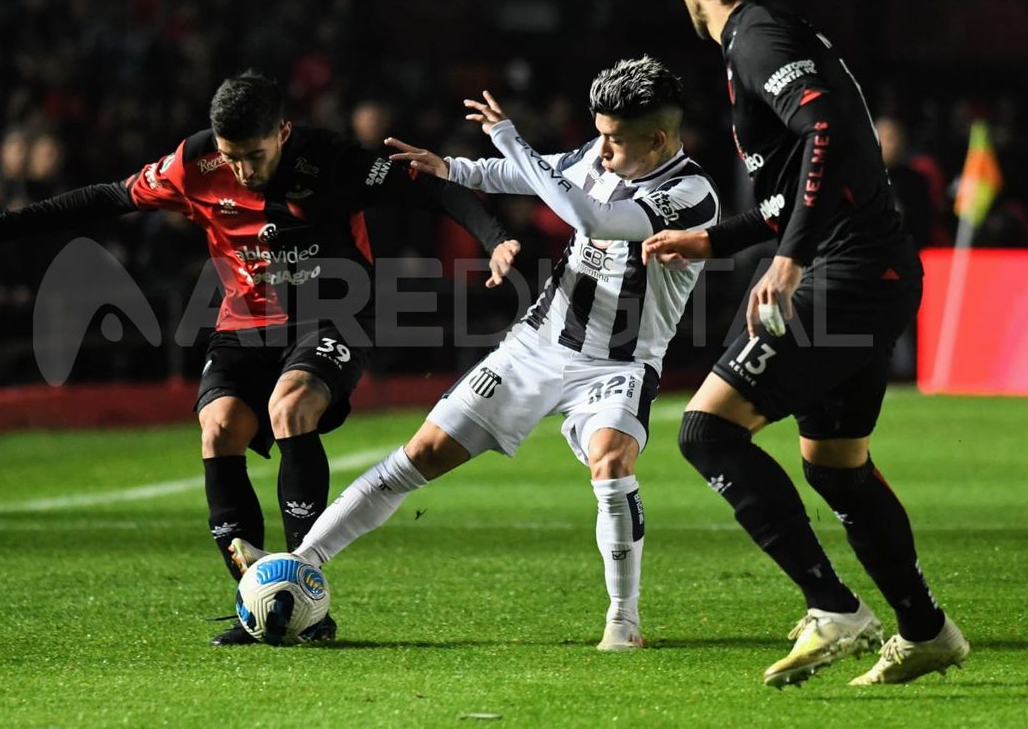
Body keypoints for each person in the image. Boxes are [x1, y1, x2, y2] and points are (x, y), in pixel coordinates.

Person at [0, 70, 519, 646]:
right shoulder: (194, 164)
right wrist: (1, 229)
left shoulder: (334, 161)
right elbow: (108, 197)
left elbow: (436, 193)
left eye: (253, 155)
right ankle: (258, 601)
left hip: (333, 315)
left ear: (283, 133)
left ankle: (303, 579)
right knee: (220, 426)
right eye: (232, 156)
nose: (241, 169)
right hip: (244, 324)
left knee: (291, 407)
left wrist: (495, 241)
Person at [241, 57, 719, 651]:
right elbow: (536, 174)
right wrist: (455, 168)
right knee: (419, 454)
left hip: (618, 364)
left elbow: (589, 215)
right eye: (599, 133)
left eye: (616, 139)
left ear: (660, 138)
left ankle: (624, 620)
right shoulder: (600, 156)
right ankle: (301, 563)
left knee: (613, 462)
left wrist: (512, 138)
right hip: (538, 346)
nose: (602, 149)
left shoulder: (690, 193)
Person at [640, 0, 968, 685]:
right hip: (873, 272)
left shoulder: (755, 38)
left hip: (845, 275)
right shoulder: (769, 33)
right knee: (834, 466)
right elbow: (809, 179)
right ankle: (925, 631)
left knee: (706, 433)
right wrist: (718, 240)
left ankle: (835, 607)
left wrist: (787, 261)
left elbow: (826, 134)